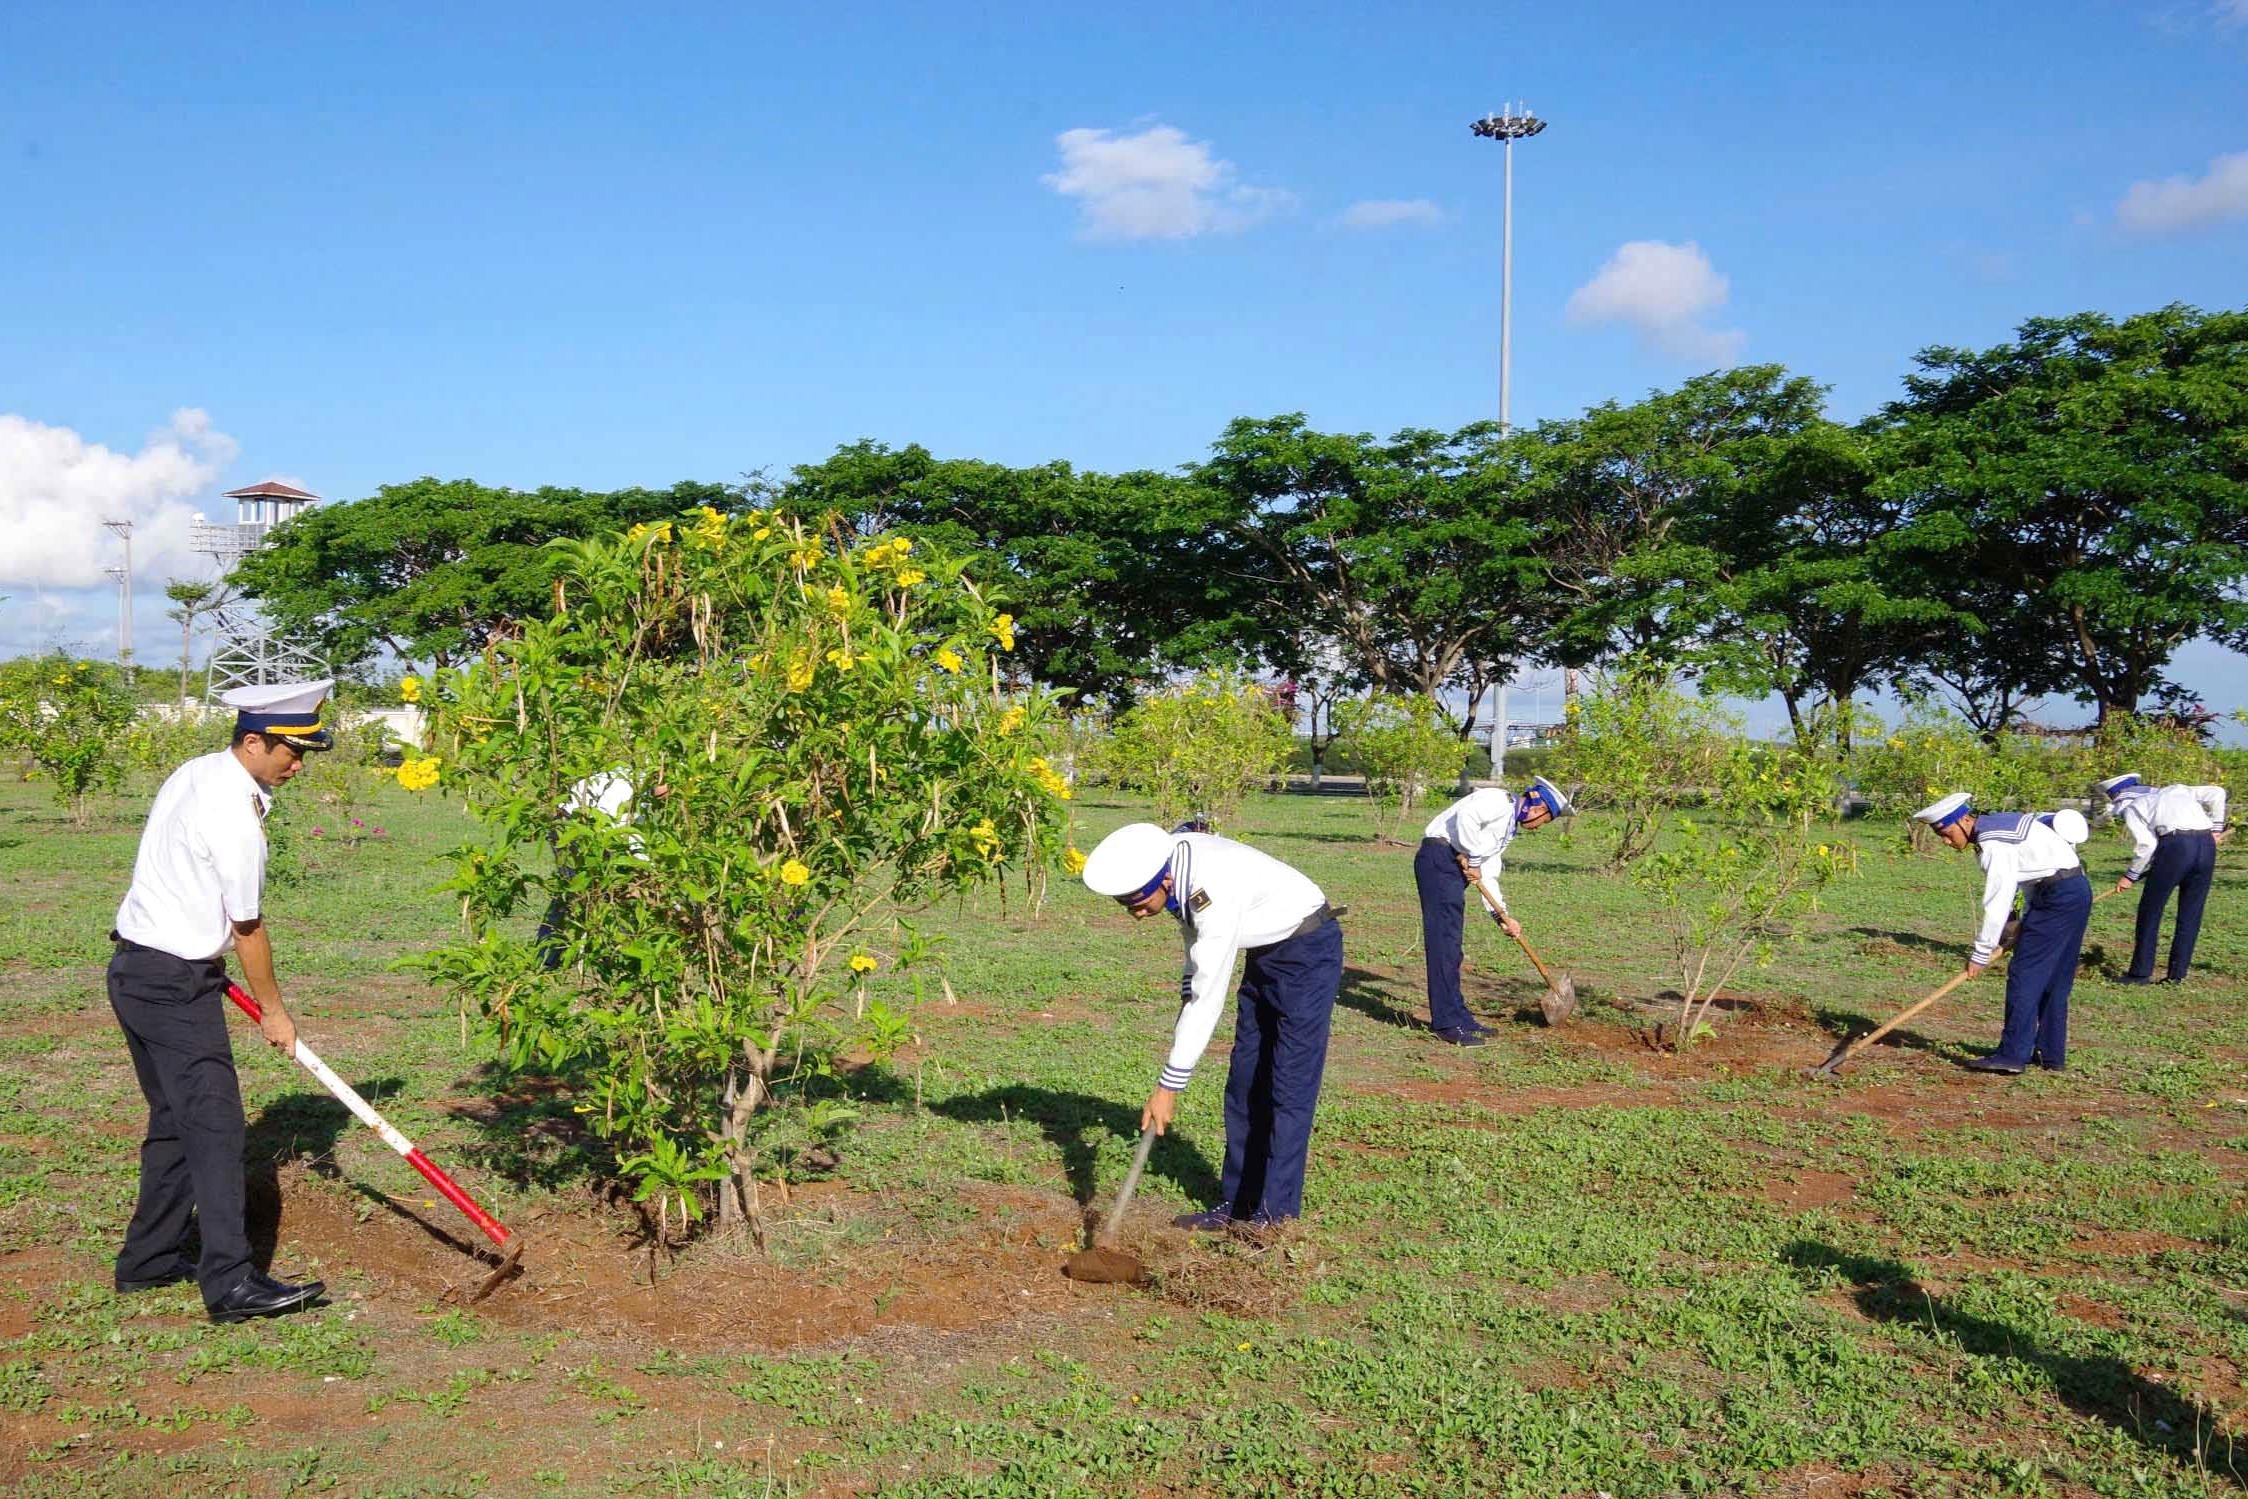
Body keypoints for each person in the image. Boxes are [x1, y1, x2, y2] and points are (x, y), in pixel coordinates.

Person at [108, 680, 334, 1322]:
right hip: (172, 985)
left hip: (134, 969)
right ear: (254, 742)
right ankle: (231, 1283)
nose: (298, 764)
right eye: (292, 751)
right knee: (215, 1127)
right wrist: (274, 1012)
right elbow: (248, 929)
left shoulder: (198, 771)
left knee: (175, 1121)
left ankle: (148, 1259)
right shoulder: (234, 812)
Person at [1081, 822, 1343, 1228]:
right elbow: (1194, 946)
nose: (1135, 914)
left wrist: (1168, 1087)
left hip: (1307, 949)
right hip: (1264, 952)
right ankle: (1237, 1204)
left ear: (1164, 880)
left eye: (1138, 902)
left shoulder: (1212, 888)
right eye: (1124, 904)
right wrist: (1188, 995)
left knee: (1288, 1085)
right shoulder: (1173, 866)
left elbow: (1208, 998)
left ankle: (1275, 1218)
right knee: (1244, 1080)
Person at [1913, 793, 2092, 1075]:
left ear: (1964, 820)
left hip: (2057, 897)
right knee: (2055, 977)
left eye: (1946, 833)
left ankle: (2012, 1056)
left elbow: (1998, 900)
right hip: (2073, 890)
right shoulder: (2000, 825)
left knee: (2025, 975)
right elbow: (2031, 874)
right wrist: (2028, 918)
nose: (1946, 842)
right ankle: (2050, 1054)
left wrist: (1980, 953)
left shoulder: (1992, 843)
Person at [1415, 776, 1572, 1047]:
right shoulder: (1498, 800)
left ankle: (1460, 1017)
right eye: (1545, 821)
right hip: (1439, 860)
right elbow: (1467, 817)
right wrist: (1474, 860)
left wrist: (1502, 916)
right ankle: (1447, 1024)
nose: (1539, 827)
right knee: (1444, 946)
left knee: (1452, 948)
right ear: (1538, 808)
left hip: (1453, 867)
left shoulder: (1508, 826)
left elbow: (1488, 873)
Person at [2098, 773, 2228, 986]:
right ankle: (2176, 975)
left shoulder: (2133, 807)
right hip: (2206, 845)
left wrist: (2130, 876)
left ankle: (2140, 973)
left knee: (2151, 910)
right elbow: (2217, 793)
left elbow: (2147, 846)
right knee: (2191, 912)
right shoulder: (2178, 789)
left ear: (2119, 797)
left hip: (2176, 847)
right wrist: (2215, 829)